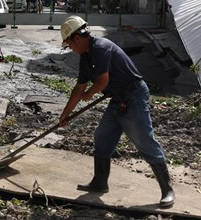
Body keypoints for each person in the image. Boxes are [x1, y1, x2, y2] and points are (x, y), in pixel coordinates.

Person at [59, 16, 175, 208]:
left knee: (144, 139)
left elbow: (102, 82)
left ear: (76, 39)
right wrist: (65, 114)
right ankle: (100, 182)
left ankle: (167, 190)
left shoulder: (101, 48)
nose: (70, 48)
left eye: (68, 44)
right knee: (102, 136)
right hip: (117, 98)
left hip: (134, 95)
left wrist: (88, 95)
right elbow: (79, 88)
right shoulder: (86, 57)